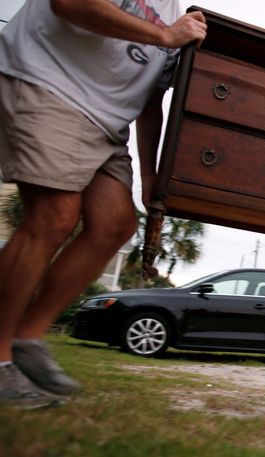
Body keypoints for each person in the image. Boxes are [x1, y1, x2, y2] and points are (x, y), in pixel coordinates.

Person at [0, 0, 207, 408]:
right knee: (54, 215)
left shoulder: (173, 10)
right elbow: (68, 4)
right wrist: (165, 36)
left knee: (114, 224)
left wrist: (151, 179)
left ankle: (27, 337)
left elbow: (150, 104)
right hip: (47, 82)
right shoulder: (170, 26)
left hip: (107, 122)